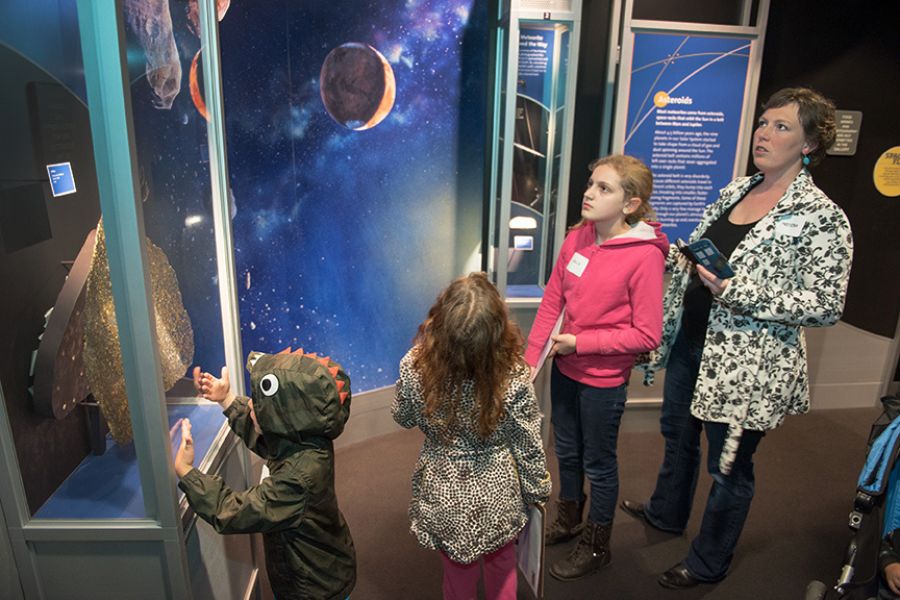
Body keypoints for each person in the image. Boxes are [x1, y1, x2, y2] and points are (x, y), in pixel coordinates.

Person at [620, 87, 854, 589]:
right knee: (678, 438)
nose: (764, 134)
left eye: (782, 127)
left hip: (749, 367)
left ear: (810, 144)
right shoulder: (735, 191)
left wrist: (737, 290)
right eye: (763, 123)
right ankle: (665, 512)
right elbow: (709, 260)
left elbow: (824, 306)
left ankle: (708, 561)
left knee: (729, 467)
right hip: (693, 345)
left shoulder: (823, 218)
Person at [524, 154, 668, 580]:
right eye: (591, 183)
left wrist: (581, 343)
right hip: (566, 371)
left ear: (630, 204)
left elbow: (647, 335)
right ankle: (569, 520)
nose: (588, 193)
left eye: (604, 188)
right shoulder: (579, 237)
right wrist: (529, 365)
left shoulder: (644, 257)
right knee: (565, 451)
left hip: (603, 381)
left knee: (598, 463)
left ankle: (597, 544)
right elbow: (554, 300)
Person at [392, 272, 551, 600]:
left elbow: (403, 416)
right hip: (499, 498)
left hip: (442, 493)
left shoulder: (414, 366)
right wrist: (537, 491)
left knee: (456, 573)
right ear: (497, 328)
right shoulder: (514, 375)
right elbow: (528, 443)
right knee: (502, 563)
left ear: (439, 319)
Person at [174, 350, 356, 600]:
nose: (250, 404)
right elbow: (266, 437)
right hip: (323, 567)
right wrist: (226, 398)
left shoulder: (296, 480)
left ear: (287, 418)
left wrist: (187, 473)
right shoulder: (305, 440)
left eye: (260, 402)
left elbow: (233, 512)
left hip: (314, 588)